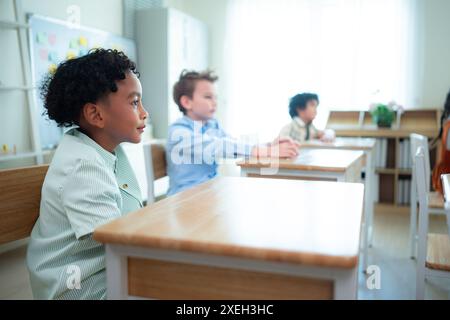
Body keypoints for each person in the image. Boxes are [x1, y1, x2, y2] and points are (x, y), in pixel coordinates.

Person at [26, 49, 148, 299]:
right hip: (81, 289)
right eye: (134, 102)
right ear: (96, 115)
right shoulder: (83, 165)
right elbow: (117, 241)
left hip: (108, 271)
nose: (144, 112)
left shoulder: (105, 150)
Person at [166, 70, 299, 195]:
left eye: (215, 97)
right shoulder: (178, 131)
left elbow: (234, 143)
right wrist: (264, 151)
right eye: (208, 97)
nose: (214, 102)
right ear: (186, 102)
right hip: (185, 196)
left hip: (209, 190)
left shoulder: (212, 125)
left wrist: (268, 146)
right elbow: (218, 146)